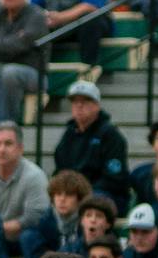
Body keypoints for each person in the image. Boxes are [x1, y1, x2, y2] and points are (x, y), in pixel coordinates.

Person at [53, 80, 130, 211]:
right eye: (75, 102)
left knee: (92, 202)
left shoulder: (110, 135)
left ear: (96, 105)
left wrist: (81, 193)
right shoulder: (68, 134)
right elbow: (60, 170)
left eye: (85, 101)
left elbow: (115, 178)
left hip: (106, 195)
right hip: (73, 194)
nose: (79, 106)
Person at [0, 122, 50, 253]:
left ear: (20, 148)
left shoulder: (34, 176)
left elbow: (36, 217)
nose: (1, 149)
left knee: (29, 236)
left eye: (8, 143)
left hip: (21, 239)